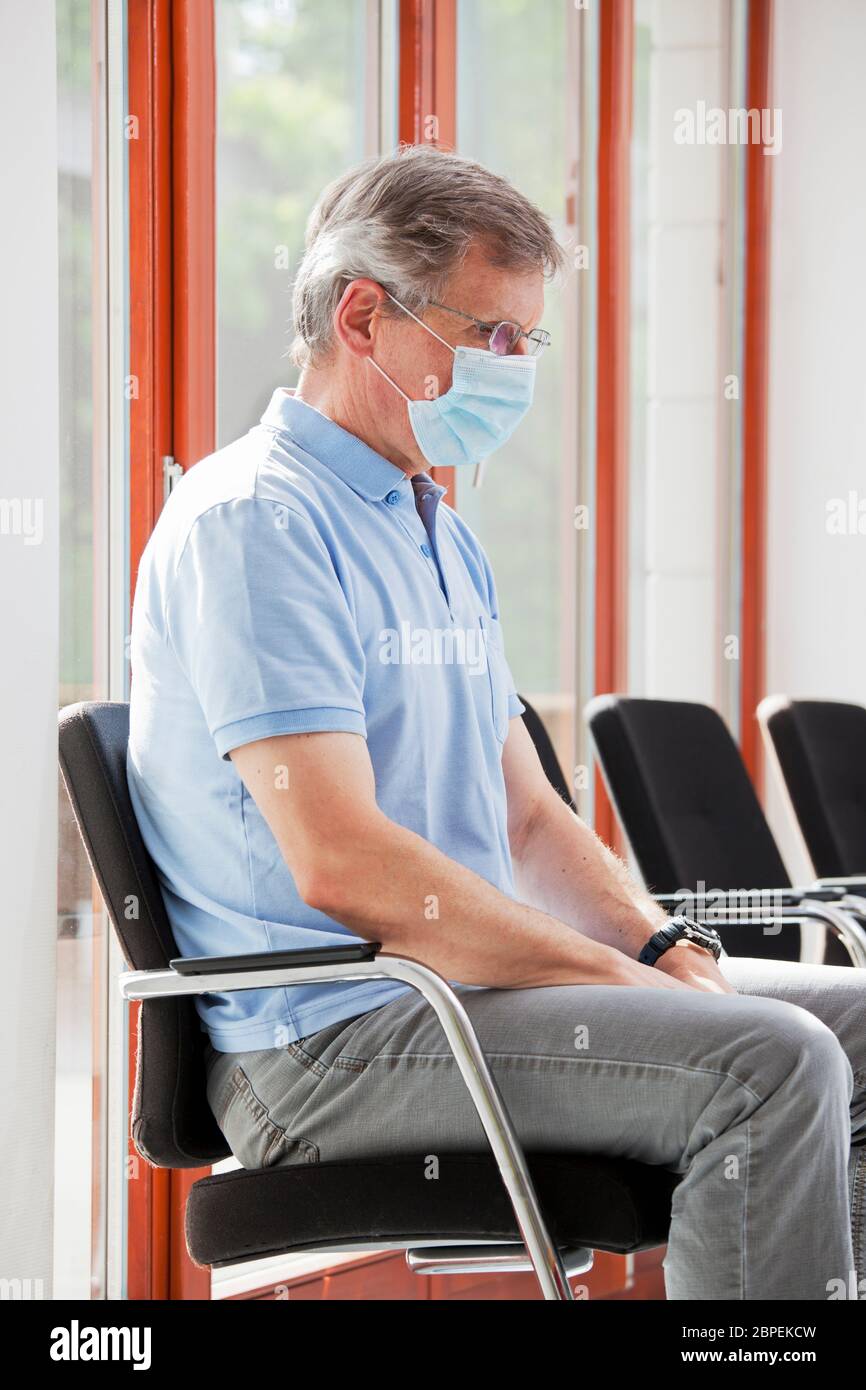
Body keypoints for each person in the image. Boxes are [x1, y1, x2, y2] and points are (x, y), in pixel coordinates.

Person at [127, 144, 865, 1300]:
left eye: (527, 339)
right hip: (329, 1043)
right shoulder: (254, 523)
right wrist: (616, 986)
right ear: (363, 316)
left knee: (852, 1023)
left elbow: (528, 815)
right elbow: (345, 863)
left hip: (467, 1000)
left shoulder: (434, 527)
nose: (513, 368)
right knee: (765, 1061)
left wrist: (667, 953)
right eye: (490, 336)